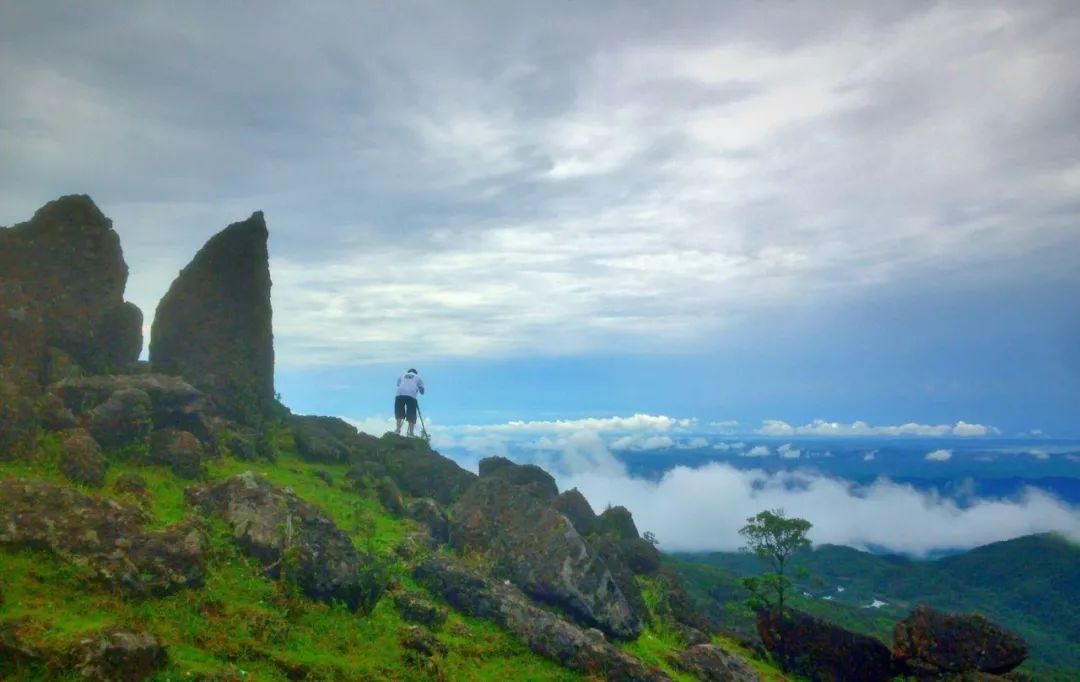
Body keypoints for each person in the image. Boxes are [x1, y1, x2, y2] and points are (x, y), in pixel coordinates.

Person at [394, 368, 425, 436]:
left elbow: (398, 385)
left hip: (399, 394)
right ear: (415, 373)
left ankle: (397, 430)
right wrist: (418, 389)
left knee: (399, 412)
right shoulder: (418, 377)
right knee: (411, 414)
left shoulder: (402, 375)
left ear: (408, 372)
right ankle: (411, 433)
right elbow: (422, 391)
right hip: (411, 395)